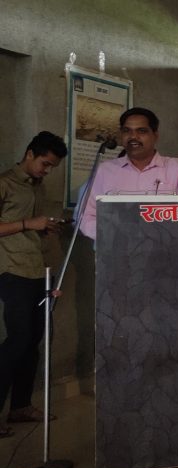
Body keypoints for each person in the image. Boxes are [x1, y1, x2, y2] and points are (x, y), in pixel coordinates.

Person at [0, 131, 67, 437]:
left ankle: (21, 406)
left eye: (52, 166)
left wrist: (45, 228)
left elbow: (29, 225)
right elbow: (18, 224)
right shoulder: (5, 183)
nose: (47, 170)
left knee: (34, 340)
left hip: (39, 270)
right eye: (45, 163)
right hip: (13, 271)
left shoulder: (38, 187)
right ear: (30, 154)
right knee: (17, 340)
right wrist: (28, 223)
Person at [80, 107, 178, 240]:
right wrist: (115, 235)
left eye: (141, 131)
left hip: (166, 254)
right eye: (127, 131)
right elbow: (84, 216)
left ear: (155, 135)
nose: (133, 137)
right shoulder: (104, 171)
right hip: (116, 255)